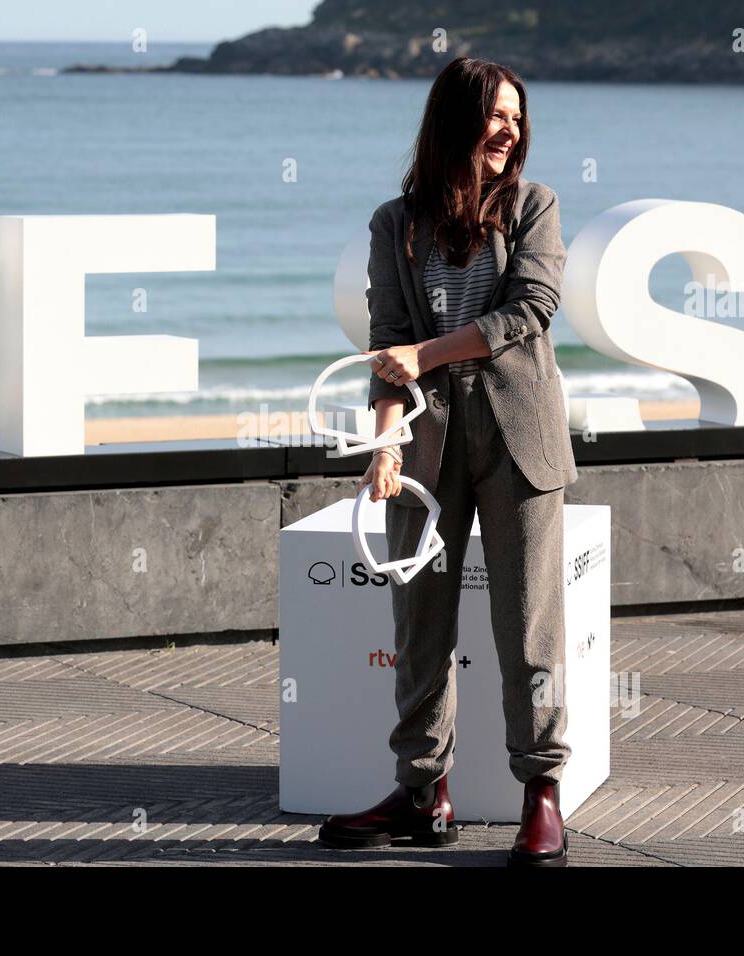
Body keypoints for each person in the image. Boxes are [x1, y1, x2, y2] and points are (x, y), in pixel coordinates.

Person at [316, 56, 578, 866]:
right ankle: (422, 793)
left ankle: (542, 795)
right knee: (419, 625)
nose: (509, 129)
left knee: (526, 624)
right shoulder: (394, 223)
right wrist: (386, 443)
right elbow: (386, 345)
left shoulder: (535, 206)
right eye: (495, 114)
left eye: (516, 116)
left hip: (518, 436)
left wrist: (422, 355)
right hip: (426, 443)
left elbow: (528, 309)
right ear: (455, 122)